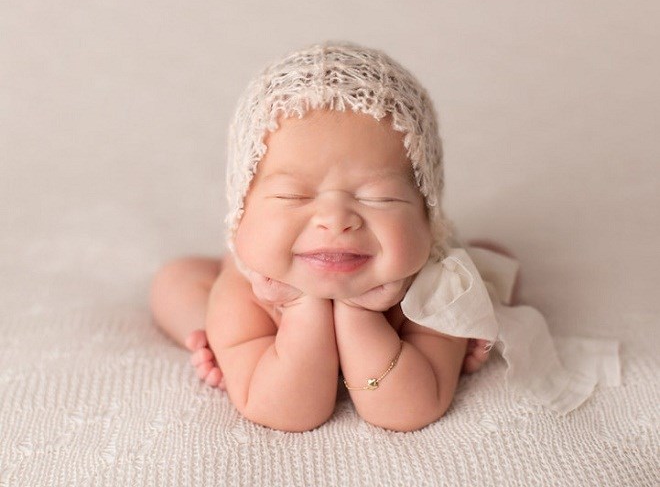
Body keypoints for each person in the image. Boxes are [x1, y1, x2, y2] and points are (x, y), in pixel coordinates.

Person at [150, 42, 617, 432]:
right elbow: (288, 411)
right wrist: (299, 307)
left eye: (379, 198)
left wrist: (358, 315)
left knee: (492, 268)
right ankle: (207, 335)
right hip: (264, 294)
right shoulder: (248, 284)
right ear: (240, 214)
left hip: (388, 286)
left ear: (427, 214)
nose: (335, 220)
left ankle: (478, 288)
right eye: (294, 196)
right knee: (177, 281)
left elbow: (407, 409)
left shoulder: (430, 282)